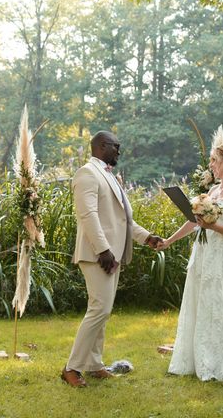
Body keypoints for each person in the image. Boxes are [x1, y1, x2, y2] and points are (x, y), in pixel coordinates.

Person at [157, 126, 223, 382]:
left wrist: (212, 226)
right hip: (204, 252)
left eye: (215, 160)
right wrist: (169, 241)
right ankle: (199, 358)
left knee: (222, 303)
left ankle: (222, 360)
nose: (211, 165)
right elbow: (194, 222)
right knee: (201, 301)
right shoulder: (213, 192)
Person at [61, 131, 163, 388]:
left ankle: (95, 365)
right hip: (97, 254)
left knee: (102, 311)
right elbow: (88, 215)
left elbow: (124, 220)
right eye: (116, 146)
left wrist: (146, 237)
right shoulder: (86, 173)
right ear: (101, 146)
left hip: (111, 254)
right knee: (99, 309)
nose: (119, 151)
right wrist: (104, 250)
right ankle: (71, 368)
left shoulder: (109, 175)